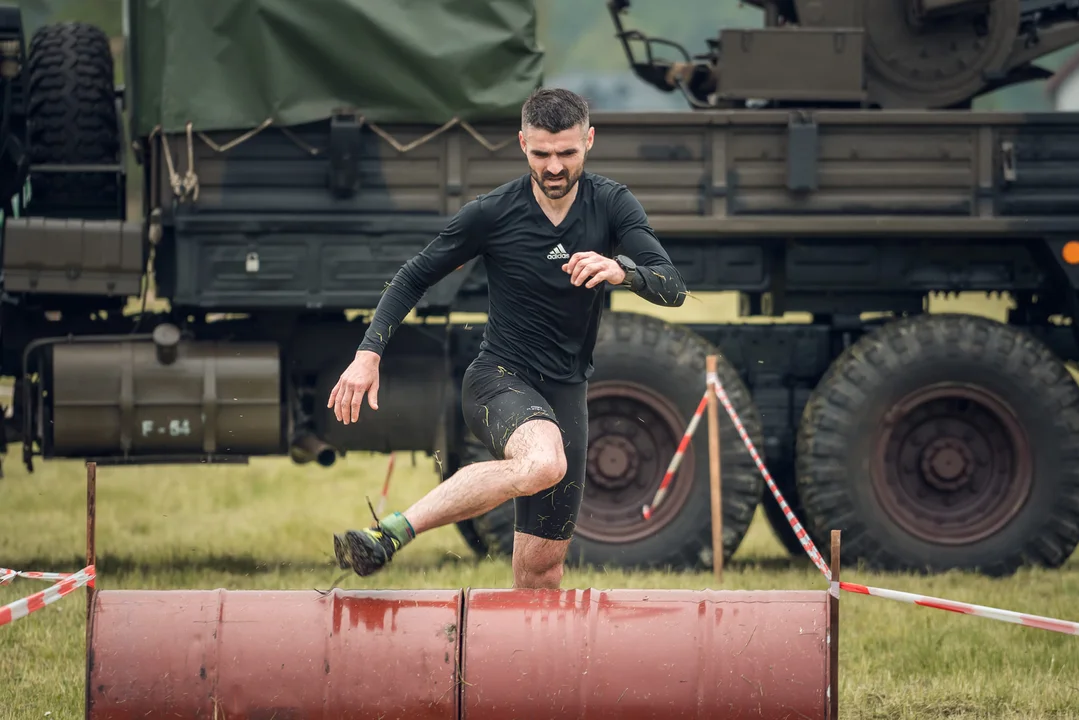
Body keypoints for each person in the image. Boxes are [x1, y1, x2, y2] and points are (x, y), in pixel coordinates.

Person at [327, 87, 687, 589]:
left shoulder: (612, 203)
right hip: (499, 379)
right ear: (522, 144)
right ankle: (392, 532)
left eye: (567, 153)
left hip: (568, 392)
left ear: (590, 140)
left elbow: (672, 287)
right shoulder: (492, 213)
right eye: (542, 154)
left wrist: (621, 270)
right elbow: (412, 277)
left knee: (542, 574)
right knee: (543, 462)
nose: (555, 167)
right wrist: (368, 354)